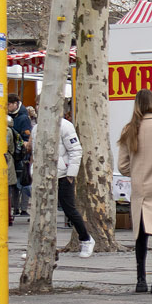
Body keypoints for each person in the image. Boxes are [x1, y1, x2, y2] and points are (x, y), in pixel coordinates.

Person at [116, 89, 152, 294]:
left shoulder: (129, 129)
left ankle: (140, 280)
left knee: (140, 234)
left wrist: (137, 171)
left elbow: (122, 166)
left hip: (139, 188)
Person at [57, 103, 95, 257]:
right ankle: (39, 245)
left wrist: (70, 174)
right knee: (42, 211)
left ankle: (86, 239)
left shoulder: (65, 126)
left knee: (69, 209)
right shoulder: (38, 127)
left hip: (62, 175)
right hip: (45, 175)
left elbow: (75, 150)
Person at [8, 95, 32, 215]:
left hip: (21, 155)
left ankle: (23, 208)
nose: (7, 107)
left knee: (24, 181)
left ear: (16, 104)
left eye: (8, 104)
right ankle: (17, 208)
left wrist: (24, 147)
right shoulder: (10, 116)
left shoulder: (23, 117)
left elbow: (27, 138)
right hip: (14, 154)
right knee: (14, 183)